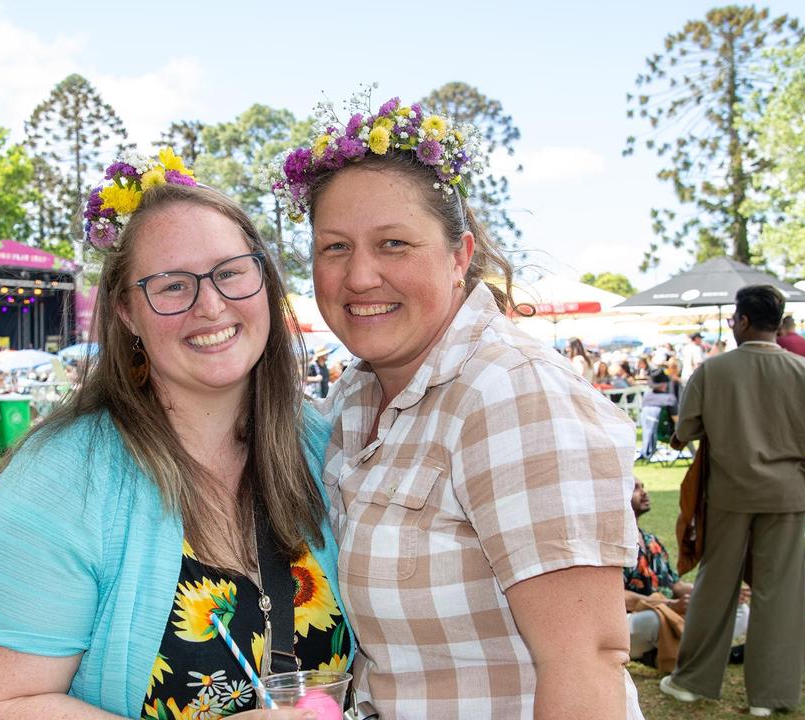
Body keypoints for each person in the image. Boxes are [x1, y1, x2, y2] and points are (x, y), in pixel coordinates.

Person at [274, 96, 640, 718]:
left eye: (393, 243)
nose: (360, 276)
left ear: (459, 256)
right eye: (334, 248)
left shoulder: (512, 394)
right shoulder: (355, 396)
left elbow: (587, 661)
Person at [0, 152, 350, 719]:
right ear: (126, 313)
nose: (210, 305)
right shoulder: (59, 479)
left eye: (230, 272)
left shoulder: (321, 444)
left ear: (265, 281)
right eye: (171, 285)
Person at [661, 285, 805, 714]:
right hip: (786, 493)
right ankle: (772, 694)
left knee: (715, 585)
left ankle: (693, 680)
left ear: (741, 320)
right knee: (780, 591)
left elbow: (685, 431)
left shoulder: (713, 370)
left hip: (728, 492)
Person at [624, 478, 749, 669]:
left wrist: (720, 593)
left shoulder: (651, 541)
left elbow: (676, 586)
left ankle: (689, 655)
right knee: (653, 620)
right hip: (635, 621)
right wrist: (669, 606)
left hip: (669, 613)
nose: (644, 492)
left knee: (739, 610)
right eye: (635, 489)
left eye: (643, 487)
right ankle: (705, 655)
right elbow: (619, 598)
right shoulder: (614, 546)